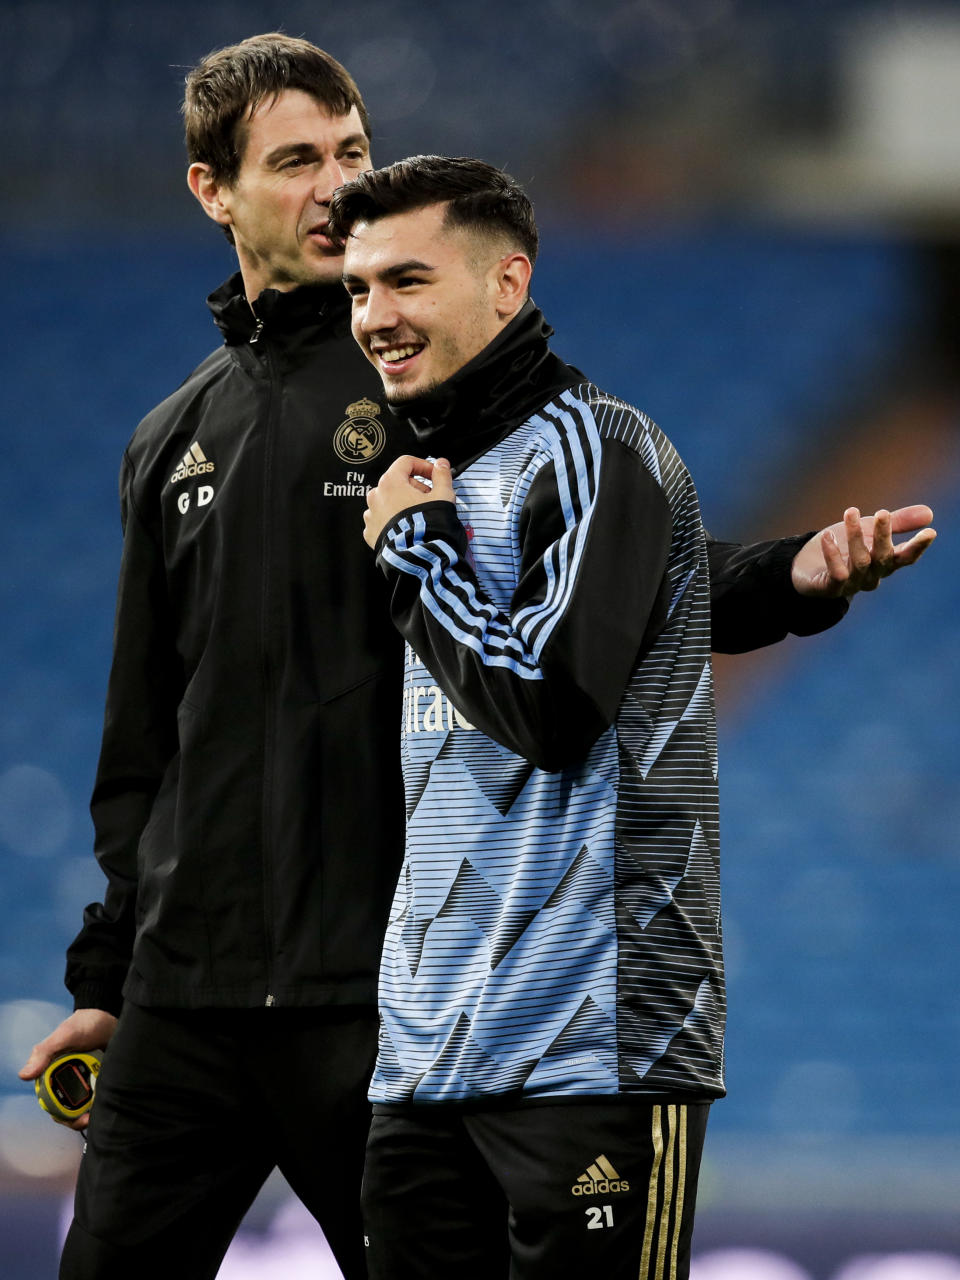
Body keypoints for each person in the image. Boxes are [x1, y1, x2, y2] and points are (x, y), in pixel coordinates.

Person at [16, 33, 934, 1280]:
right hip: (192, 993)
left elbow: (611, 585)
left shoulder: (436, 384)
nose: (337, 185)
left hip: (382, 993)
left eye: (352, 152)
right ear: (211, 190)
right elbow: (145, 739)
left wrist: (789, 576)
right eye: (297, 160)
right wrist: (108, 972)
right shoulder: (172, 437)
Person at [328, 155, 935, 1280]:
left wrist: (412, 553)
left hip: (591, 1043)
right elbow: (649, 591)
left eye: (406, 280)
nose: (375, 315)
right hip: (428, 1053)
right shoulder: (441, 471)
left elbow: (553, 708)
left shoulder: (591, 450)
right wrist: (785, 574)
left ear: (506, 284)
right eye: (360, 287)